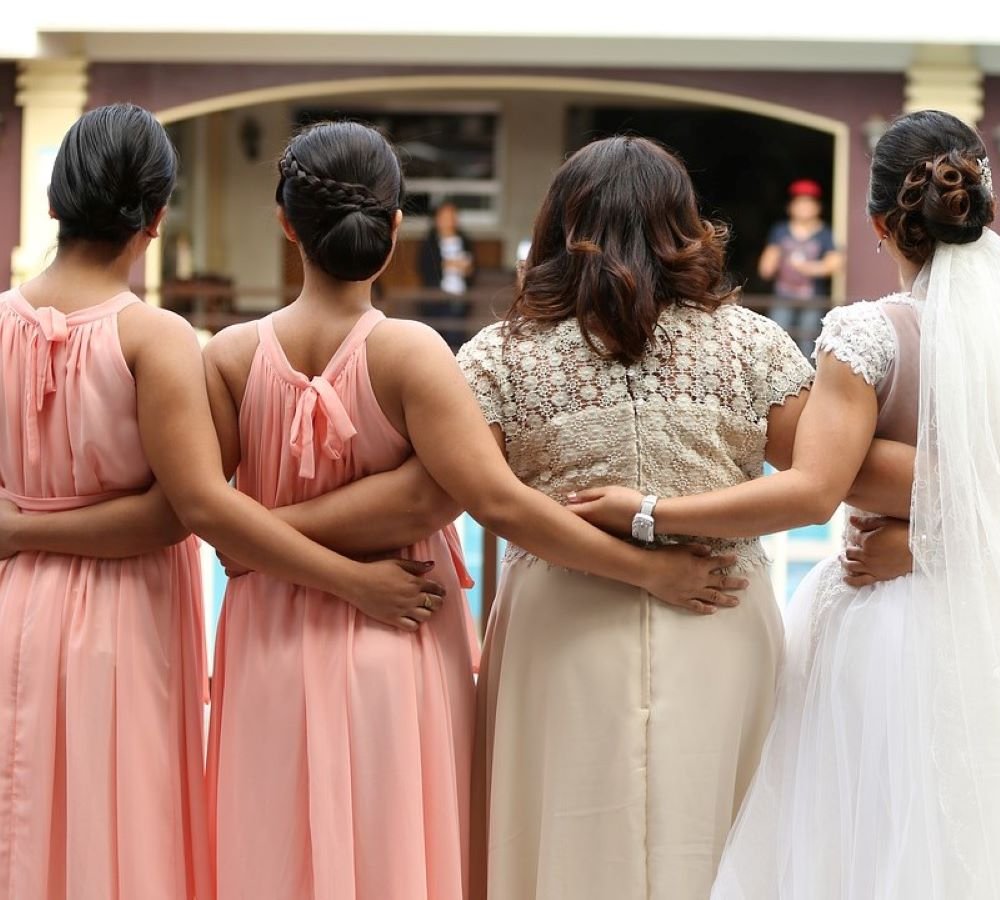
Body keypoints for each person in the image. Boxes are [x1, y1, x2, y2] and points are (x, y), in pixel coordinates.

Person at [569, 110, 1000, 899]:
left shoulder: (865, 334)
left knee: (870, 846)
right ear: (983, 211)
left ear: (879, 224)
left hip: (887, 631)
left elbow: (812, 489)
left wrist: (651, 512)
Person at [0, 104, 457, 900]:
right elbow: (187, 509)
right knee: (121, 837)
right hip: (120, 617)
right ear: (157, 216)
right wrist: (351, 580)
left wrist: (15, 526)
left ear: (52, 203)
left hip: (12, 606)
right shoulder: (154, 337)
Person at [457, 135, 911, 900]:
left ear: (559, 226)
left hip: (562, 619)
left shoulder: (496, 357)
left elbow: (490, 503)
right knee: (727, 837)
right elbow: (834, 475)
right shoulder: (752, 344)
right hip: (718, 604)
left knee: (563, 834)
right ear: (683, 225)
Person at [758, 178, 841, 354]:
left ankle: (808, 380)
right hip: (783, 295)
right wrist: (771, 263)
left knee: (808, 342)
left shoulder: (824, 233)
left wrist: (807, 267)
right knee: (776, 337)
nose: (803, 207)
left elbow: (834, 264)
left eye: (808, 203)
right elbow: (766, 266)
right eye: (799, 203)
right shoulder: (780, 231)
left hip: (812, 298)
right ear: (790, 207)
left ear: (817, 207)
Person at [418, 200, 475, 346]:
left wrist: (464, 267)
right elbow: (425, 268)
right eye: (444, 216)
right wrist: (450, 264)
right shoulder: (429, 242)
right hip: (437, 298)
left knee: (457, 335)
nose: (448, 220)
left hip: (461, 296)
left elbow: (472, 268)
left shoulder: (464, 241)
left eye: (451, 216)